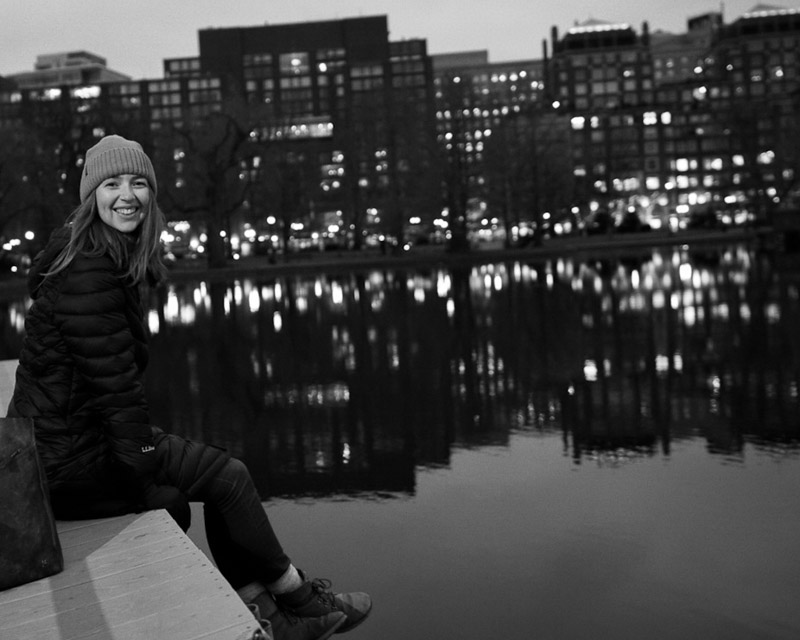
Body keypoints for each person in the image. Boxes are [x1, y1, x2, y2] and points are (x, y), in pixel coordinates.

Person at [6, 135, 371, 640]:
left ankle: (268, 610)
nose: (126, 194)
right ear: (92, 197)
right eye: (111, 184)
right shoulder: (89, 274)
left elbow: (109, 391)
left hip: (67, 444)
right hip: (66, 460)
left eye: (138, 182)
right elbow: (117, 395)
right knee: (227, 476)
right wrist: (143, 484)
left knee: (216, 475)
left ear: (152, 194)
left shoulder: (93, 256)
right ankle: (297, 599)